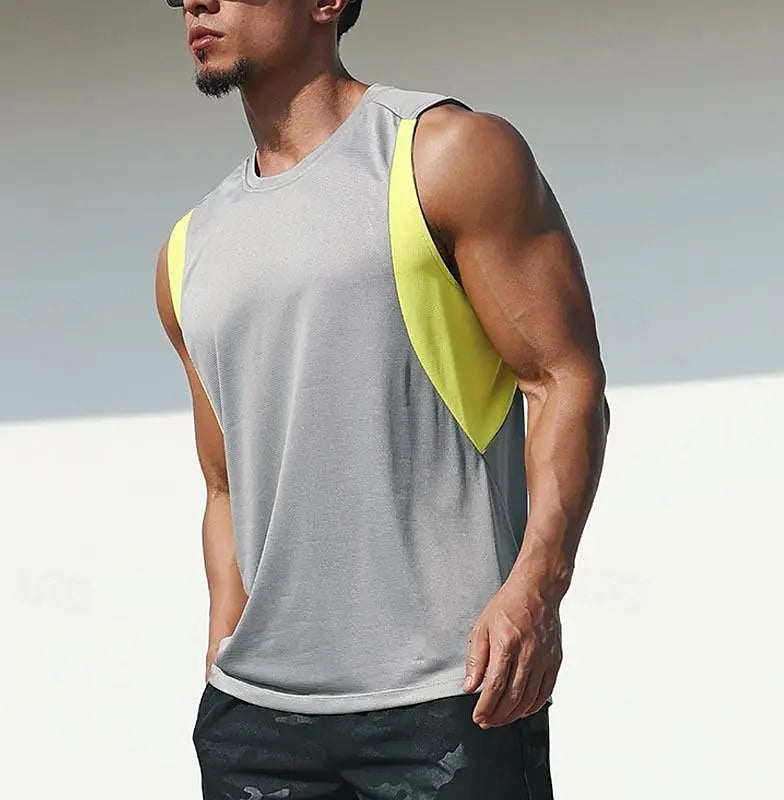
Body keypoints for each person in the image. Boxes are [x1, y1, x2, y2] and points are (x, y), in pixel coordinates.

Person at [155, 1, 609, 798]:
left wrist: (538, 589)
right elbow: (223, 485)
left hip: (449, 697)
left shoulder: (445, 154)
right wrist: (224, 645)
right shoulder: (188, 250)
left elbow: (564, 379)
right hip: (256, 726)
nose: (197, 0)